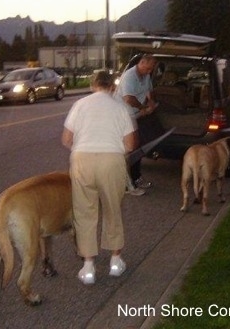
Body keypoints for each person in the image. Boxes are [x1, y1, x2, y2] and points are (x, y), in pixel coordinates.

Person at [61, 71, 135, 285]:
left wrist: (82, 147)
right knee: (113, 209)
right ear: (112, 87)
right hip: (111, 161)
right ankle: (115, 261)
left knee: (85, 212)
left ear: (93, 86)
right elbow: (130, 144)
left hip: (82, 160)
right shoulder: (119, 107)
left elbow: (66, 139)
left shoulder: (80, 105)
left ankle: (88, 267)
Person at [115, 54, 159, 191]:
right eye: (148, 68)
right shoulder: (129, 76)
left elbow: (149, 90)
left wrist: (151, 103)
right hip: (125, 115)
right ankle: (128, 181)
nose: (150, 71)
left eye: (151, 69)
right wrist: (143, 108)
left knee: (138, 145)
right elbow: (128, 98)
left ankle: (134, 178)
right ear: (142, 62)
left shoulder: (145, 75)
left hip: (136, 114)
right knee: (132, 148)